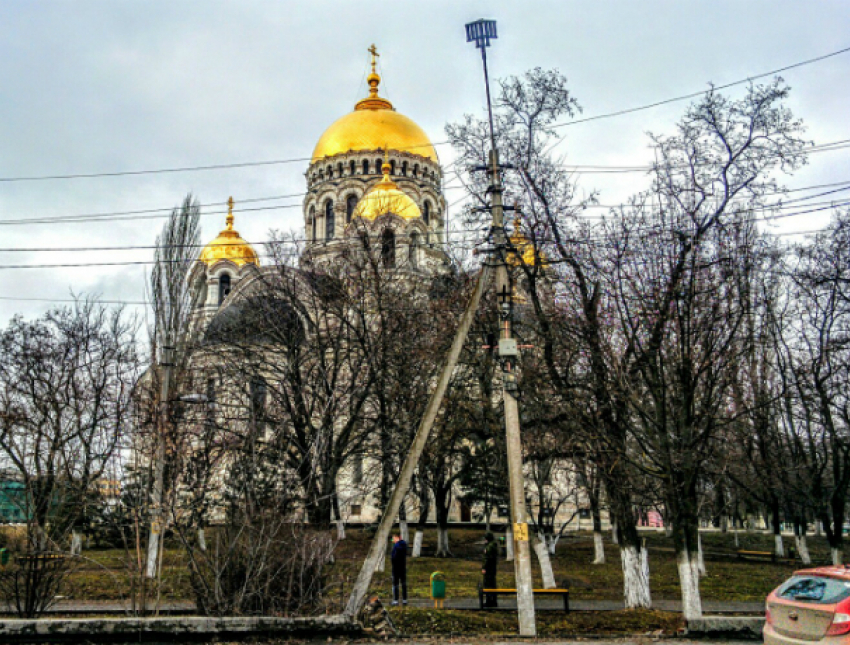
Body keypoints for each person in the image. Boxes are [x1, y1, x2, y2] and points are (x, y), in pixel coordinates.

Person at [482, 531, 499, 607]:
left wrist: (484, 568)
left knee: (488, 584)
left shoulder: (489, 547)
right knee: (493, 584)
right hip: (493, 568)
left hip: (488, 568)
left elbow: (487, 558)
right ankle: (494, 601)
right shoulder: (493, 545)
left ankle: (489, 601)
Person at [391, 533, 408, 606]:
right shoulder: (404, 545)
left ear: (396, 537)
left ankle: (395, 600)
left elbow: (394, 557)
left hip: (396, 568)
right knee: (403, 584)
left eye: (393, 538)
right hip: (403, 567)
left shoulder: (396, 546)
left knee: (395, 584)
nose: (392, 540)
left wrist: (393, 560)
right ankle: (404, 600)